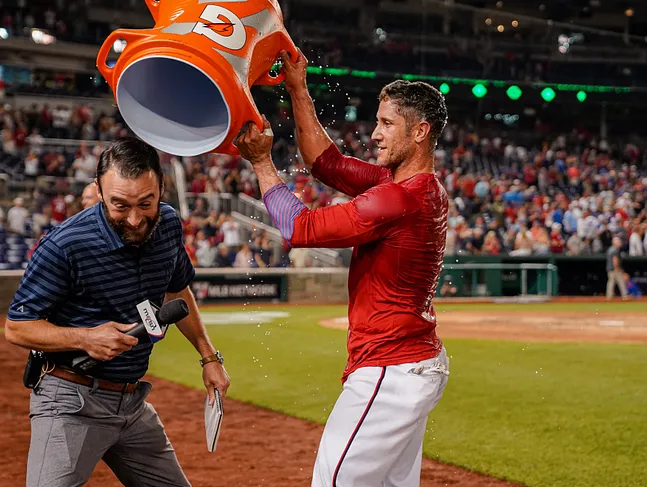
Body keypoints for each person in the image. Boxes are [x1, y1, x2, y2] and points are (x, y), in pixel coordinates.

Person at [236, 49, 450, 487]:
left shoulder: (397, 197)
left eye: (387, 124)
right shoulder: (414, 187)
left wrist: (261, 163)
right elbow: (323, 163)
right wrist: (298, 88)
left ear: (420, 131)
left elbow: (299, 228)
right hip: (414, 364)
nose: (374, 134)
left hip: (389, 370)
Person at [4, 137, 230, 487]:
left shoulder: (167, 224)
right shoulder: (65, 245)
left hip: (132, 403)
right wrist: (86, 338)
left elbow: (177, 287)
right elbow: (17, 328)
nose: (136, 219)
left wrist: (208, 357)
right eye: (120, 205)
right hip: (70, 401)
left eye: (146, 203)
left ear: (160, 188)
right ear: (98, 190)